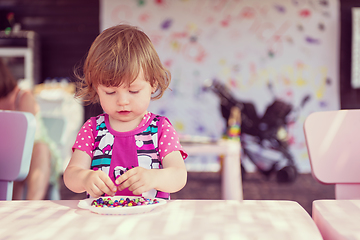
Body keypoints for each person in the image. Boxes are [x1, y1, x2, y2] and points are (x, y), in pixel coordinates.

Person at [63, 24, 188, 199]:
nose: (122, 101)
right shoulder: (92, 129)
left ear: (152, 83)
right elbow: (70, 175)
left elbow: (179, 175)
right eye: (110, 92)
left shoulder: (160, 128)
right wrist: (85, 177)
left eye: (134, 91)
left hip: (151, 220)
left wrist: (153, 177)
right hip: (103, 220)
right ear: (96, 88)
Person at [0, 58, 62, 200]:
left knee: (39, 148)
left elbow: (28, 136)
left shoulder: (23, 96)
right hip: (6, 155)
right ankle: (9, 208)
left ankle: (30, 205)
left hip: (34, 154)